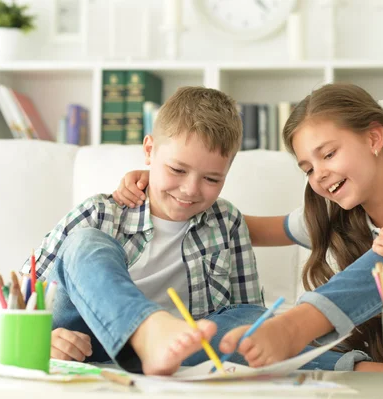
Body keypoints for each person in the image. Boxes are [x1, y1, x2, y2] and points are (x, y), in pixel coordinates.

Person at [113, 83, 383, 376]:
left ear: (374, 139)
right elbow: (237, 226)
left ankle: (299, 323)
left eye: (329, 154)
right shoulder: (333, 212)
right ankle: (298, 333)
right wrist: (159, 189)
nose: (320, 175)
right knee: (231, 335)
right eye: (307, 167)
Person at [21, 86, 269, 376]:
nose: (190, 189)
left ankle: (153, 349)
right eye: (177, 170)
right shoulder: (100, 213)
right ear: (149, 151)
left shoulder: (228, 222)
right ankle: (145, 333)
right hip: (86, 338)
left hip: (181, 347)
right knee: (86, 242)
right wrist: (41, 342)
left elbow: (247, 313)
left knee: (258, 323)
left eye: (212, 178)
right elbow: (18, 304)